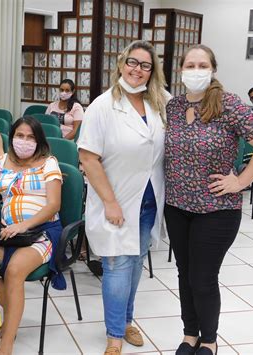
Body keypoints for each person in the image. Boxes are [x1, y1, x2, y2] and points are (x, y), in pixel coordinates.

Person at [164, 44, 253, 355]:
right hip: (176, 207)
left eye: (203, 65)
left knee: (202, 277)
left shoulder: (229, 105)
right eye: (190, 65)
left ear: (212, 70)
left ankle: (209, 340)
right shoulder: (173, 106)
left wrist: (240, 180)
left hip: (216, 210)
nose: (196, 70)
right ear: (181, 69)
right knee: (184, 274)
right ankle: (189, 335)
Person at [78, 40, 169, 355]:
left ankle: (128, 320)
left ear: (152, 71)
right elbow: (89, 158)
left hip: (149, 199)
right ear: (120, 64)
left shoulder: (159, 102)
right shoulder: (103, 106)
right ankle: (115, 334)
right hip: (114, 201)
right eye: (133, 62)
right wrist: (111, 203)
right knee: (117, 265)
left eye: (146, 65)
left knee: (135, 262)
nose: (138, 69)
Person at [0, 116, 64, 355]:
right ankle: (13, 314)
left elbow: (53, 205)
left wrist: (23, 225)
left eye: (30, 137)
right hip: (4, 232)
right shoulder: (2, 161)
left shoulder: (48, 163)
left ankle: (7, 343)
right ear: (11, 138)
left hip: (40, 233)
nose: (24, 141)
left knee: (13, 272)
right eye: (19, 136)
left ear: (39, 140)